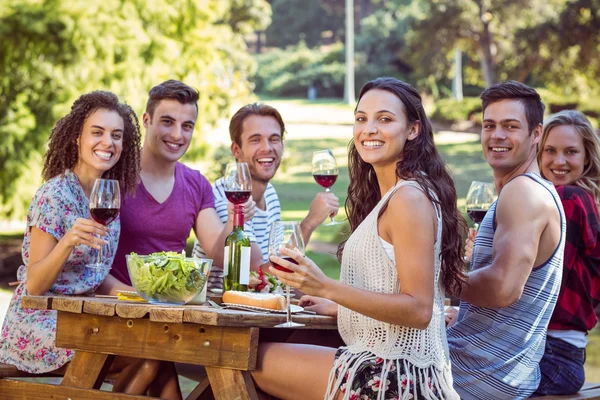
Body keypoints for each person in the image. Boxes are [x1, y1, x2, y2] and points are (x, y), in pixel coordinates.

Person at [250, 77, 466, 399]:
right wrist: (339, 305)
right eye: (361, 118)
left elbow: (419, 310)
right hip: (385, 363)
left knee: (245, 359)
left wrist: (326, 286)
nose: (369, 129)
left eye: (385, 119)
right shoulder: (394, 194)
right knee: (278, 348)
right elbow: (393, 293)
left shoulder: (408, 198)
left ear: (413, 130)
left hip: (396, 375)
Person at [0, 91, 180, 399]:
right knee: (150, 353)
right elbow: (34, 285)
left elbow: (94, 275)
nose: (108, 142)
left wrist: (146, 297)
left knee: (158, 353)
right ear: (76, 139)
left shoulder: (105, 195)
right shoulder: (54, 195)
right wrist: (68, 241)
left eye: (117, 135)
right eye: (97, 132)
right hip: (41, 323)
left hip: (82, 318)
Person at [446, 81, 566, 399]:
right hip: (493, 368)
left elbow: (503, 288)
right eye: (489, 125)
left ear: (536, 134)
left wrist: (431, 276)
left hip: (476, 377)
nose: (497, 135)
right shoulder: (526, 191)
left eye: (510, 126)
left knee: (308, 361)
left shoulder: (523, 191)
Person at [100, 80, 233, 292]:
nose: (177, 135)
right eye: (167, 122)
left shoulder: (196, 184)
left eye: (187, 126)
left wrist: (234, 218)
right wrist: (137, 297)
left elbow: (218, 256)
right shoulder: (111, 174)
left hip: (170, 311)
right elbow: (89, 262)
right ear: (146, 120)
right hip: (113, 309)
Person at [192, 103, 339, 288]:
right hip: (222, 308)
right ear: (236, 150)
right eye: (255, 140)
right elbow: (260, 274)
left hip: (258, 308)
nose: (267, 148)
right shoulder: (225, 198)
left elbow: (275, 278)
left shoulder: (269, 193)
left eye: (274, 139)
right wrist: (308, 223)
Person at [533, 110, 600, 395]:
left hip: (551, 353)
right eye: (550, 150)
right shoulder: (567, 198)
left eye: (570, 152)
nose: (558, 161)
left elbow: (529, 283)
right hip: (561, 354)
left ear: (587, 157)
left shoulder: (570, 199)